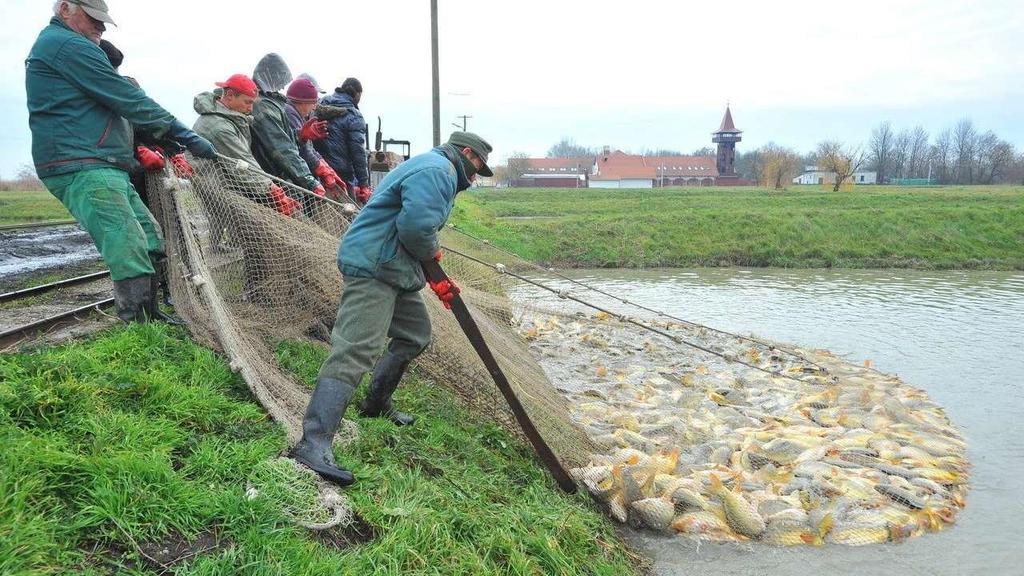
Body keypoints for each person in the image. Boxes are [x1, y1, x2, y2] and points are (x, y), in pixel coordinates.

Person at [290, 131, 494, 486]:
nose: (476, 177)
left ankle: (375, 403)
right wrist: (432, 261)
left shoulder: (438, 168)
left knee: (415, 335)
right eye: (477, 166)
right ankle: (314, 442)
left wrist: (432, 272)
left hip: (394, 267)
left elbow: (416, 228)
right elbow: (416, 228)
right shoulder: (439, 171)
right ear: (465, 153)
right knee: (356, 349)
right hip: (375, 266)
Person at [26, 0, 217, 323]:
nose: (100, 27)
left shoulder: (71, 45)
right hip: (82, 163)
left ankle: (152, 312)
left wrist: (162, 139)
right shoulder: (65, 45)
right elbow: (126, 97)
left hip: (106, 163)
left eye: (103, 21)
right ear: (65, 9)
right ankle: (137, 324)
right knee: (126, 241)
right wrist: (180, 130)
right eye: (93, 19)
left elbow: (117, 107)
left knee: (150, 236)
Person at [192, 74, 299, 215]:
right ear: (229, 95)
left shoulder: (231, 118)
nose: (250, 108)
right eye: (247, 102)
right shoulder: (220, 127)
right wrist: (273, 190)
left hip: (222, 187)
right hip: (212, 190)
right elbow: (243, 163)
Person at [249, 54, 326, 205]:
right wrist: (310, 181)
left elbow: (283, 137)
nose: (282, 86)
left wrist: (299, 135)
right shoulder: (264, 107)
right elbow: (281, 149)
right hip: (272, 178)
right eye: (280, 81)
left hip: (276, 176)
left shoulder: (272, 103)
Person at [282, 77, 345, 197]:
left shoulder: (298, 114)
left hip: (299, 174)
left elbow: (308, 147)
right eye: (313, 102)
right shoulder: (290, 114)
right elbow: (299, 150)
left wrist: (326, 166)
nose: (315, 107)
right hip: (290, 178)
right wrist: (319, 171)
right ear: (302, 101)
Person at [315, 77, 371, 203]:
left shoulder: (322, 102)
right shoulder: (354, 116)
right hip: (341, 174)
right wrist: (364, 184)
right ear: (358, 94)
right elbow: (358, 153)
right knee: (348, 215)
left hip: (318, 168)